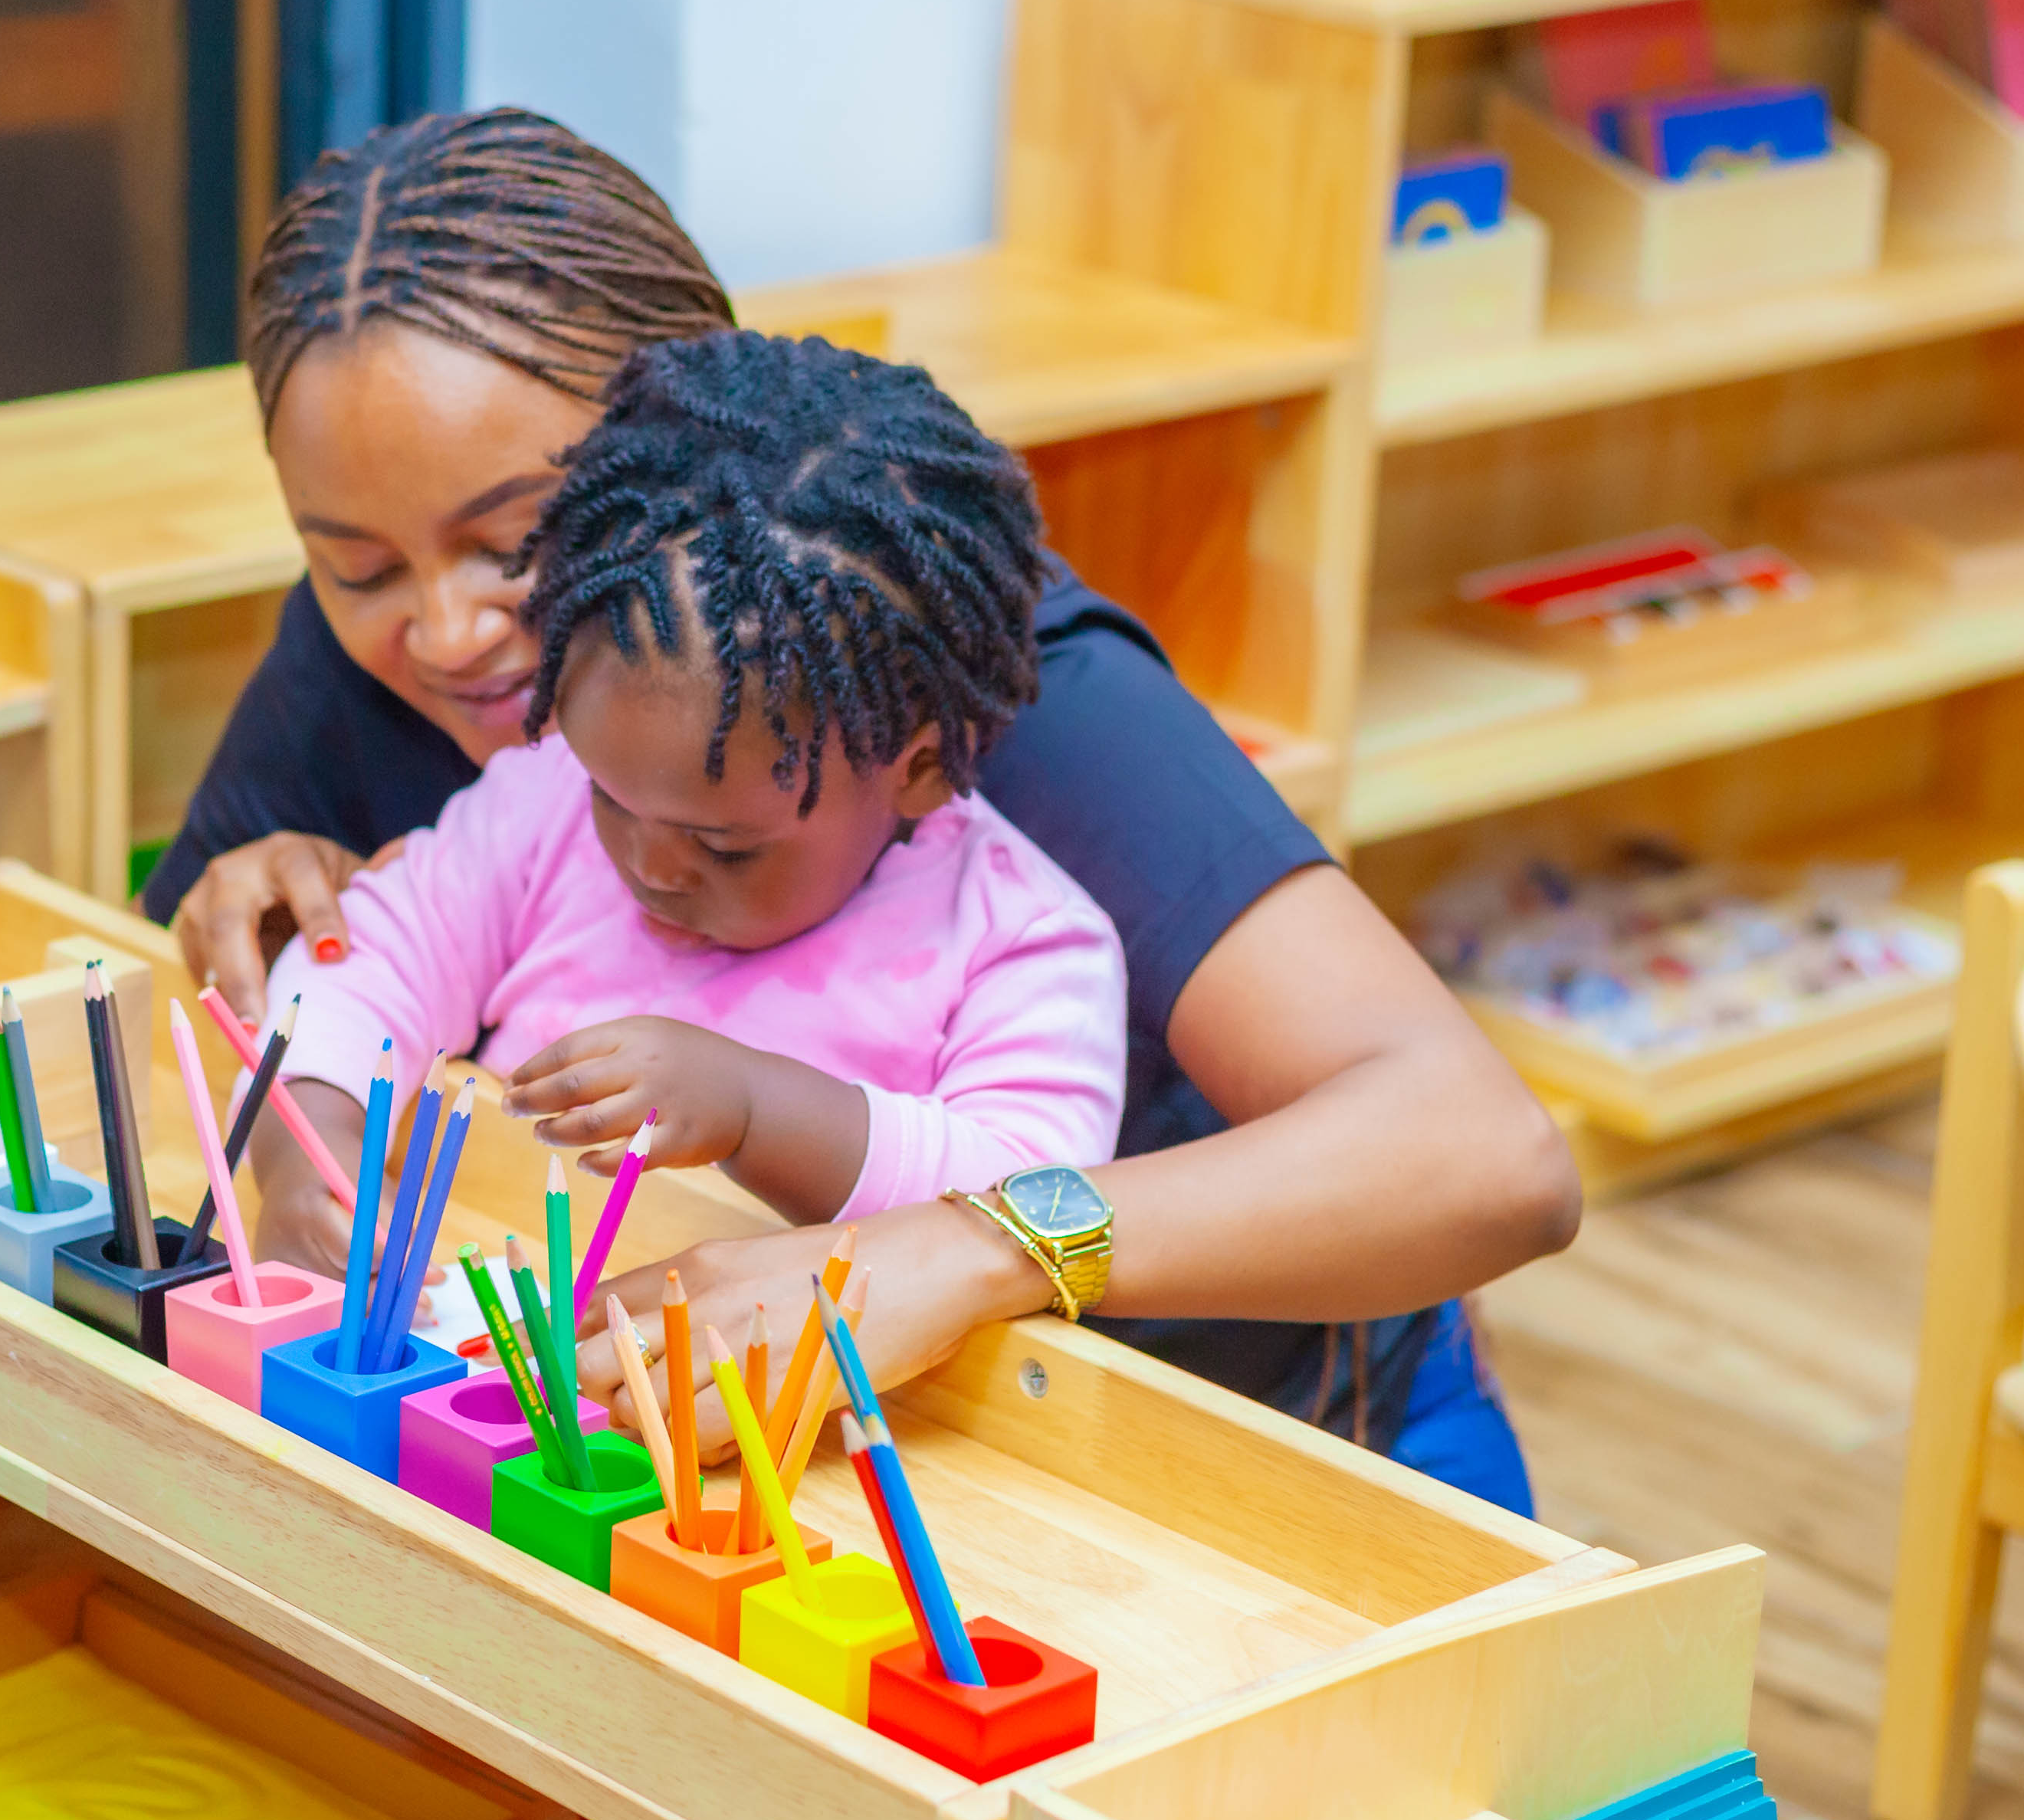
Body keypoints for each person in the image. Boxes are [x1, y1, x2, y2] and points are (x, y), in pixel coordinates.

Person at [154, 107, 1577, 1513]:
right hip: (787, 1438)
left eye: (511, 538)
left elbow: (1481, 1156)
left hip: (1244, 1424)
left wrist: (971, 1244)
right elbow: (301, 977)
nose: (450, 628)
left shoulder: (975, 685)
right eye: (356, 566)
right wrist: (264, 895)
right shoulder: (404, 638)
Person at [268, 329, 1123, 1243]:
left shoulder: (1021, 945)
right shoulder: (547, 795)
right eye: (613, 799)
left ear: (912, 770)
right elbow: (372, 958)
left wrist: (754, 1110)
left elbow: (1035, 1215)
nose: (651, 863)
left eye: (724, 846)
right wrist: (309, 1149)